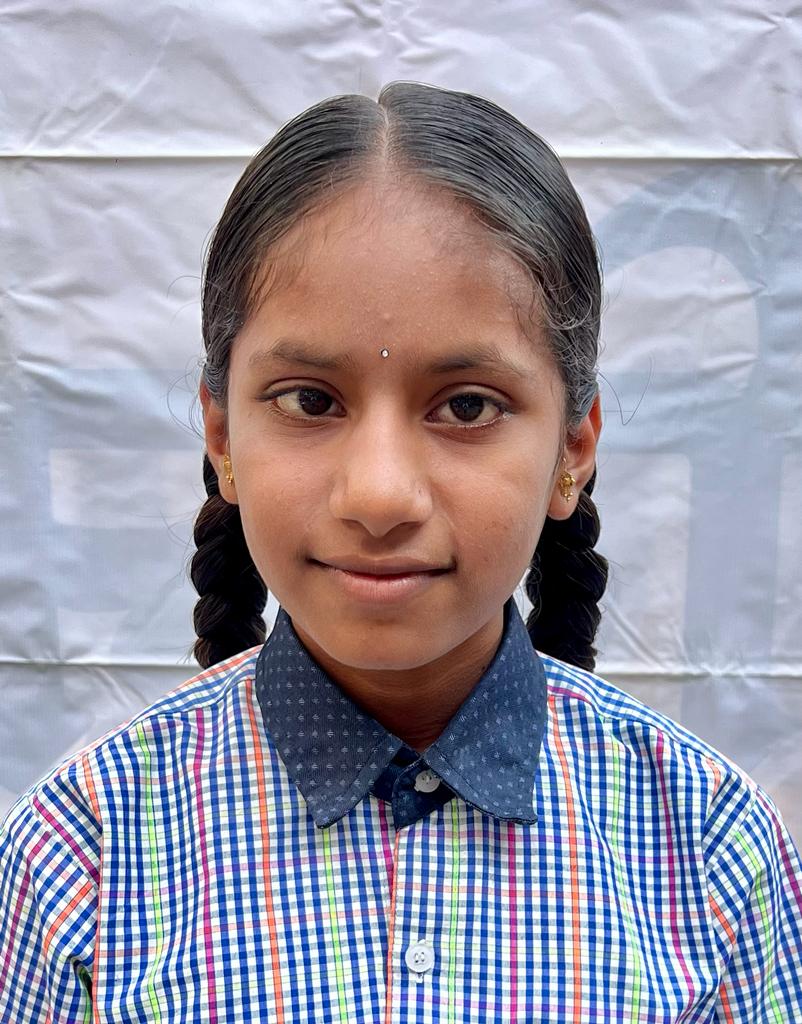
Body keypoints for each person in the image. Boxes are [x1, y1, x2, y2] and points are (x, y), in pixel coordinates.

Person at [1, 82, 800, 1024]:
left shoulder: (710, 853)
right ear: (220, 435)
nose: (379, 495)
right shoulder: (82, 860)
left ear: (572, 450)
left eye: (467, 405)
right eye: (310, 400)